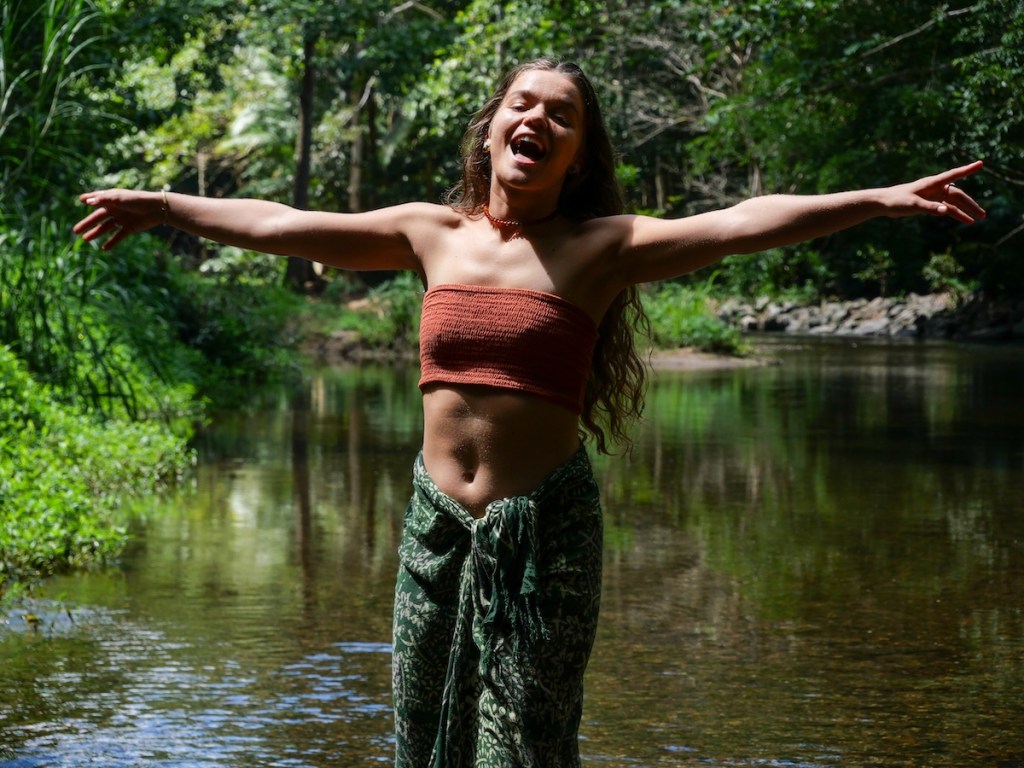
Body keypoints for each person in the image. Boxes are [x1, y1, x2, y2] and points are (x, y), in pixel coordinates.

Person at [74, 58, 985, 768]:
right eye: (523, 104)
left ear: (579, 153)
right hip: (435, 530)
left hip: (544, 529)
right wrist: (163, 207)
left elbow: (746, 219)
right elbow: (279, 220)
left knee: (522, 744)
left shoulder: (604, 247)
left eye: (562, 113)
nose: (537, 120)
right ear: (491, 127)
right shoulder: (427, 232)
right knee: (424, 732)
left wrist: (877, 199)